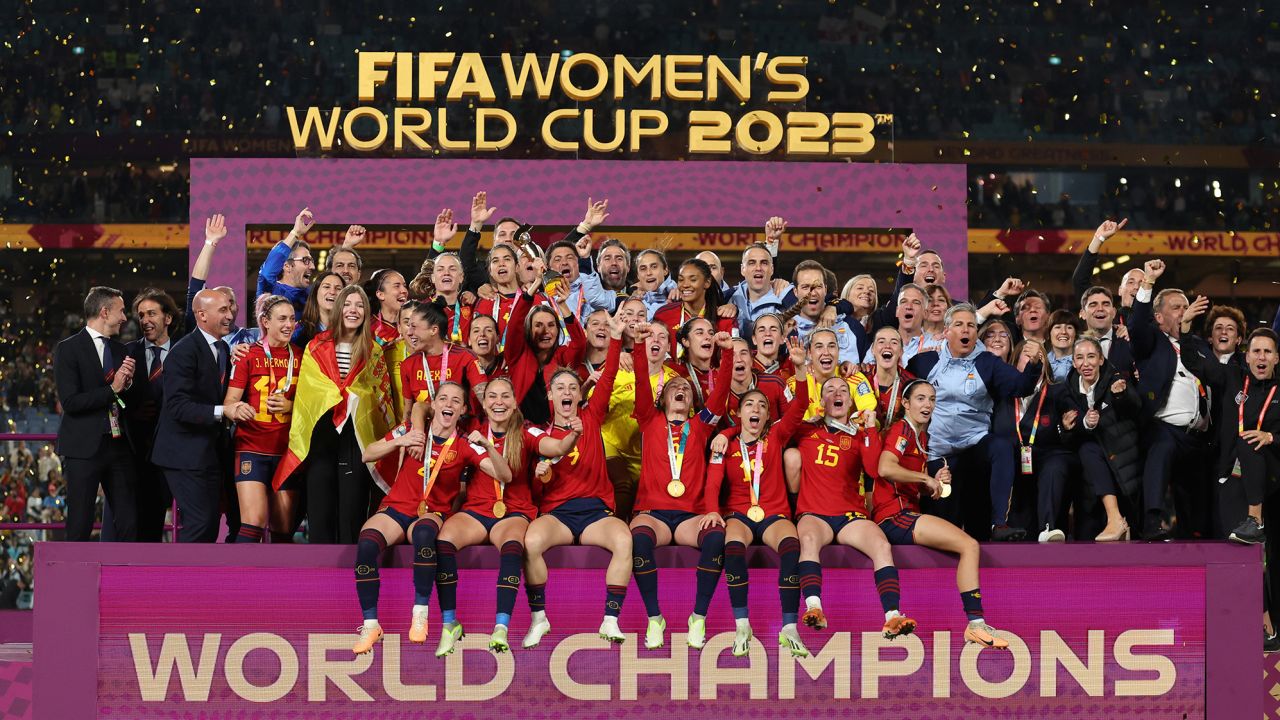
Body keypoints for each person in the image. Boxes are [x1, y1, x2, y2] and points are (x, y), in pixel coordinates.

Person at [349, 382, 512, 656]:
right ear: (434, 405)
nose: (448, 404)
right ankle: (370, 624)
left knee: (426, 536)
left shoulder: (463, 446)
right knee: (366, 546)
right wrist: (402, 440)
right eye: (443, 399)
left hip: (430, 512)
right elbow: (368, 454)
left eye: (455, 401)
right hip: (396, 508)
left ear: (461, 410)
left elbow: (504, 476)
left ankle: (420, 613)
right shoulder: (412, 431)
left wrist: (487, 446)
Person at [790, 341, 917, 648]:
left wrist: (872, 428)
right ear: (821, 401)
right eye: (830, 390)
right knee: (806, 540)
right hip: (814, 515)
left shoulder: (860, 435)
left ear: (851, 402)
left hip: (850, 517)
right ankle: (813, 607)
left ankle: (892, 614)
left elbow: (874, 471)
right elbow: (793, 410)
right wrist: (798, 369)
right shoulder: (807, 431)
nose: (837, 394)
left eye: (843, 391)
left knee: (881, 546)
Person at [521, 314, 633, 647]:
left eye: (572, 387)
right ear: (551, 396)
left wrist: (615, 339)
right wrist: (542, 478)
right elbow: (539, 487)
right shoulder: (537, 432)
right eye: (560, 388)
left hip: (596, 511)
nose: (567, 392)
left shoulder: (591, 414)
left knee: (625, 541)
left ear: (579, 394)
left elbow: (609, 375)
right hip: (557, 513)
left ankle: (611, 620)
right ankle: (539, 619)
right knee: (531, 543)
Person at [875, 380, 1009, 649]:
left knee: (968, 546)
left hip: (907, 512)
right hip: (894, 516)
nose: (928, 405)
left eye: (932, 399)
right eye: (921, 399)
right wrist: (925, 477)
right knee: (969, 545)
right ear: (905, 403)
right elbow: (885, 468)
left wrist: (930, 484)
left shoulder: (922, 436)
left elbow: (908, 483)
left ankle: (976, 624)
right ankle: (975, 624)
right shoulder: (902, 430)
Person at [629, 324, 734, 650]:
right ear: (661, 400)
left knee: (718, 537)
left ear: (691, 401)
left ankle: (698, 617)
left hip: (691, 515)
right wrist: (637, 345)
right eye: (674, 387)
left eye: (686, 389)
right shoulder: (649, 419)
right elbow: (643, 384)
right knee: (638, 542)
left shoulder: (701, 426)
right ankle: (654, 618)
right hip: (653, 513)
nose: (680, 390)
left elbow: (721, 394)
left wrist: (727, 352)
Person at [705, 337, 811, 658]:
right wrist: (712, 510)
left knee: (792, 548)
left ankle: (790, 626)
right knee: (732, 547)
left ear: (768, 417)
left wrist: (801, 367)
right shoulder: (724, 443)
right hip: (738, 514)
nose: (756, 409)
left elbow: (801, 406)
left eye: (763, 406)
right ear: (738, 413)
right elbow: (713, 482)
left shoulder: (777, 436)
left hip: (775, 514)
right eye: (750, 404)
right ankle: (742, 624)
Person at [907, 303, 1043, 541]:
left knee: (1001, 447)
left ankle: (999, 524)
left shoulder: (987, 363)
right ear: (946, 332)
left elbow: (1022, 386)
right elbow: (901, 388)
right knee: (944, 526)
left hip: (975, 446)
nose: (966, 330)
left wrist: (1034, 366)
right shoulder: (925, 362)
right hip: (938, 453)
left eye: (971, 325)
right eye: (959, 325)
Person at [273, 284, 396, 544]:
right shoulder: (316, 346)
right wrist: (338, 395)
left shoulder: (373, 350)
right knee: (320, 506)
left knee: (352, 508)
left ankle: (351, 571)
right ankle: (320, 575)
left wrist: (356, 397)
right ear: (339, 309)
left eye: (360, 305)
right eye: (348, 304)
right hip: (322, 433)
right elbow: (309, 391)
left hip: (357, 436)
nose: (354, 310)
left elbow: (380, 396)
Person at [433, 378, 538, 654]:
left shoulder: (526, 433)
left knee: (513, 547)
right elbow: (422, 408)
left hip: (514, 510)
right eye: (492, 396)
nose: (498, 402)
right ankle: (449, 623)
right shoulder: (471, 430)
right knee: (443, 541)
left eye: (505, 396)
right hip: (477, 509)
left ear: (515, 403)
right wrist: (418, 427)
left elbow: (550, 446)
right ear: (483, 403)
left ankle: (501, 627)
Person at [1128, 259, 1212, 540]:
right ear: (1160, 318)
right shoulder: (1152, 341)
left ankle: (1196, 534)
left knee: (1195, 495)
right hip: (1162, 427)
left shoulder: (1199, 346)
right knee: (1161, 449)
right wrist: (1148, 282)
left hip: (1198, 434)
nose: (1183, 312)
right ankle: (1152, 519)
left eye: (1186, 307)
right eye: (1176, 307)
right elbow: (1137, 323)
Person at [53, 286, 138, 541]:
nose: (125, 318)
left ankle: (127, 579)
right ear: (104, 312)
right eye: (121, 311)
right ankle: (74, 579)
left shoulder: (121, 351)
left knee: (129, 520)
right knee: (80, 520)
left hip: (118, 446)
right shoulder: (68, 349)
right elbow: (70, 402)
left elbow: (124, 399)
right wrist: (113, 389)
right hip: (83, 448)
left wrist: (128, 386)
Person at [1179, 328, 1278, 544]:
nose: (1262, 357)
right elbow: (1196, 364)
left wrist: (1271, 436)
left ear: (1277, 357)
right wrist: (1186, 333)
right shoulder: (1233, 377)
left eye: (1268, 352)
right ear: (1247, 355)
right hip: (1236, 472)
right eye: (1257, 351)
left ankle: (1255, 519)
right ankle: (1253, 525)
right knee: (1235, 540)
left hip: (1273, 472)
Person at [152, 289, 234, 543]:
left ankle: (198, 581)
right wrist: (223, 411)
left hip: (207, 453)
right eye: (223, 310)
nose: (230, 315)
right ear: (202, 315)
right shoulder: (184, 351)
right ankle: (179, 582)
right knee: (200, 522)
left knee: (208, 522)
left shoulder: (223, 350)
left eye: (230, 309)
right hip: (183, 454)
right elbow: (177, 406)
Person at [222, 295, 302, 543]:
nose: (289, 324)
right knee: (252, 523)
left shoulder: (303, 357)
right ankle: (239, 581)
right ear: (265, 322)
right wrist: (238, 408)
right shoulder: (247, 355)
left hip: (287, 451)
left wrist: (291, 406)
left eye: (292, 319)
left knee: (283, 527)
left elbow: (313, 406)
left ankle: (282, 582)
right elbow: (229, 402)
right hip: (252, 448)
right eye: (282, 319)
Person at [1060, 337, 1142, 541]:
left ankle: (1115, 518)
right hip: (1092, 470)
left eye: (1091, 357)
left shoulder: (1115, 379)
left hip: (1122, 458)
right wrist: (1082, 424)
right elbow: (1068, 432)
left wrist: (1120, 396)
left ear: (1101, 360)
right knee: (1087, 448)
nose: (1085, 363)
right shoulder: (1068, 388)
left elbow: (1136, 408)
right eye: (1079, 357)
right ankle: (1114, 519)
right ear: (1073, 362)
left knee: (1088, 449)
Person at [120, 288, 179, 541]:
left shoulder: (184, 352)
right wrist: (131, 410)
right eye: (141, 315)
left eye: (152, 313)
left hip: (178, 452)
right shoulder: (125, 353)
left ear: (168, 318)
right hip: (137, 454)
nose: (145, 320)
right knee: (143, 527)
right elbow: (112, 399)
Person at [501, 270, 587, 426]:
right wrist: (536, 284)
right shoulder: (518, 355)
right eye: (538, 325)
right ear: (528, 329)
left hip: (554, 432)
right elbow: (514, 326)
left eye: (551, 325)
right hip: (520, 431)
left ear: (558, 329)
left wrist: (562, 305)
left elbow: (580, 343)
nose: (545, 331)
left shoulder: (562, 358)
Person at [400, 303, 487, 425]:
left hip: (461, 431)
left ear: (433, 330)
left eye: (414, 327)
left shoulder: (465, 357)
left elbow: (486, 402)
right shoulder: (407, 365)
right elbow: (408, 413)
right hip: (425, 433)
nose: (408, 333)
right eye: (408, 326)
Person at [186, 214, 259, 345]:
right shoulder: (199, 334)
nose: (226, 307)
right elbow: (196, 285)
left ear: (237, 307)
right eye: (220, 305)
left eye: (230, 302)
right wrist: (210, 242)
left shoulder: (253, 337)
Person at [652, 258, 737, 356]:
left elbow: (732, 357)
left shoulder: (724, 320)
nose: (685, 285)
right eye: (681, 279)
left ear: (707, 282)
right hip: (670, 371)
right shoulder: (663, 316)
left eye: (693, 280)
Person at [791, 260, 867, 365]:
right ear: (795, 292)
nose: (812, 293)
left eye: (818, 286)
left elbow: (867, 372)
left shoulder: (853, 328)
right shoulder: (785, 330)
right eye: (805, 287)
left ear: (825, 289)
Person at [257, 207, 318, 316]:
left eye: (311, 261)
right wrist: (295, 233)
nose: (313, 266)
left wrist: (346, 247)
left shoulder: (312, 296)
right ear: (287, 266)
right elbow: (266, 273)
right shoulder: (271, 290)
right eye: (306, 260)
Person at [861, 326, 915, 429]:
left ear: (901, 352)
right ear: (872, 350)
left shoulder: (910, 385)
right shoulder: (861, 378)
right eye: (881, 342)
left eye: (894, 342)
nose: (887, 346)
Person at [1078, 286, 1135, 379]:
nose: (1100, 308)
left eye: (1106, 304)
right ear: (1083, 313)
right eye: (1093, 304)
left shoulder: (1130, 340)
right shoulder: (1075, 346)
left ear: (1113, 312)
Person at [294, 271, 345, 349]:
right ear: (315, 293)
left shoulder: (350, 332)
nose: (332, 292)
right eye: (326, 287)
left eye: (338, 288)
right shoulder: (298, 332)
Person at [365, 269, 408, 346]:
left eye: (404, 286)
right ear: (381, 295)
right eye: (397, 286)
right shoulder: (367, 327)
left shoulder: (415, 322)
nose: (404, 290)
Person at [1045, 310, 1083, 382]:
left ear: (1075, 334)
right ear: (1049, 334)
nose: (1063, 332)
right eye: (1058, 327)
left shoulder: (1084, 362)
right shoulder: (1042, 363)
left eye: (1069, 327)